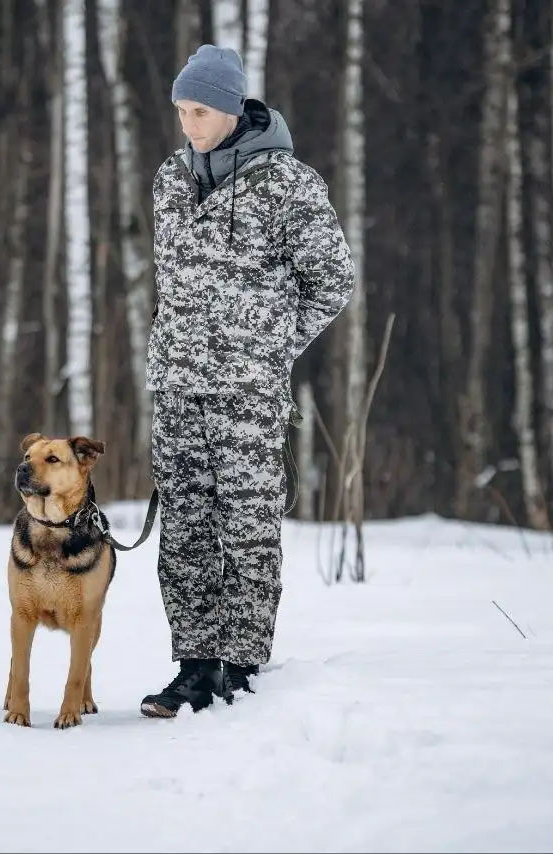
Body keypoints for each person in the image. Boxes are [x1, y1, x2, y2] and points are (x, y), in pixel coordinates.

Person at [139, 44, 356, 718]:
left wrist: (269, 348)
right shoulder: (170, 180)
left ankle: (240, 671)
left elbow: (333, 283)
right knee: (186, 535)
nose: (187, 124)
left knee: (248, 531)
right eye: (179, 110)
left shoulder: (290, 185)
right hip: (177, 389)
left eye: (198, 110)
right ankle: (193, 669)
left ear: (231, 109)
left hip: (246, 397)